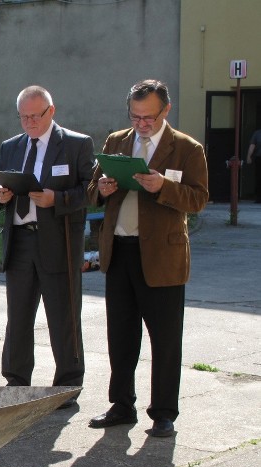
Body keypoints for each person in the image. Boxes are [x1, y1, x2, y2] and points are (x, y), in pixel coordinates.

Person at [87, 79, 208, 437]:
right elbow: (93, 190)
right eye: (136, 116)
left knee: (165, 339)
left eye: (149, 118)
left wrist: (164, 187)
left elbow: (199, 199)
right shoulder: (116, 141)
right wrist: (103, 189)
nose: (142, 124)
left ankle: (164, 413)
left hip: (162, 257)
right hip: (120, 251)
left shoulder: (187, 148)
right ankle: (122, 405)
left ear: (166, 111)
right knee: (121, 336)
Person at [0, 86, 94, 409]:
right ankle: (16, 381)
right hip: (20, 240)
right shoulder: (11, 146)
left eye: (35, 116)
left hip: (58, 242)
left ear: (52, 110)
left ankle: (68, 382)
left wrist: (56, 199)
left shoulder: (76, 144)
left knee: (63, 314)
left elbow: (90, 192)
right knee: (18, 315)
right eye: (24, 117)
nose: (30, 122)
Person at [246, 127, 261, 203]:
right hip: (259, 158)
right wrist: (249, 156)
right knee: (259, 177)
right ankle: (259, 197)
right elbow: (252, 145)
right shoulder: (257, 133)